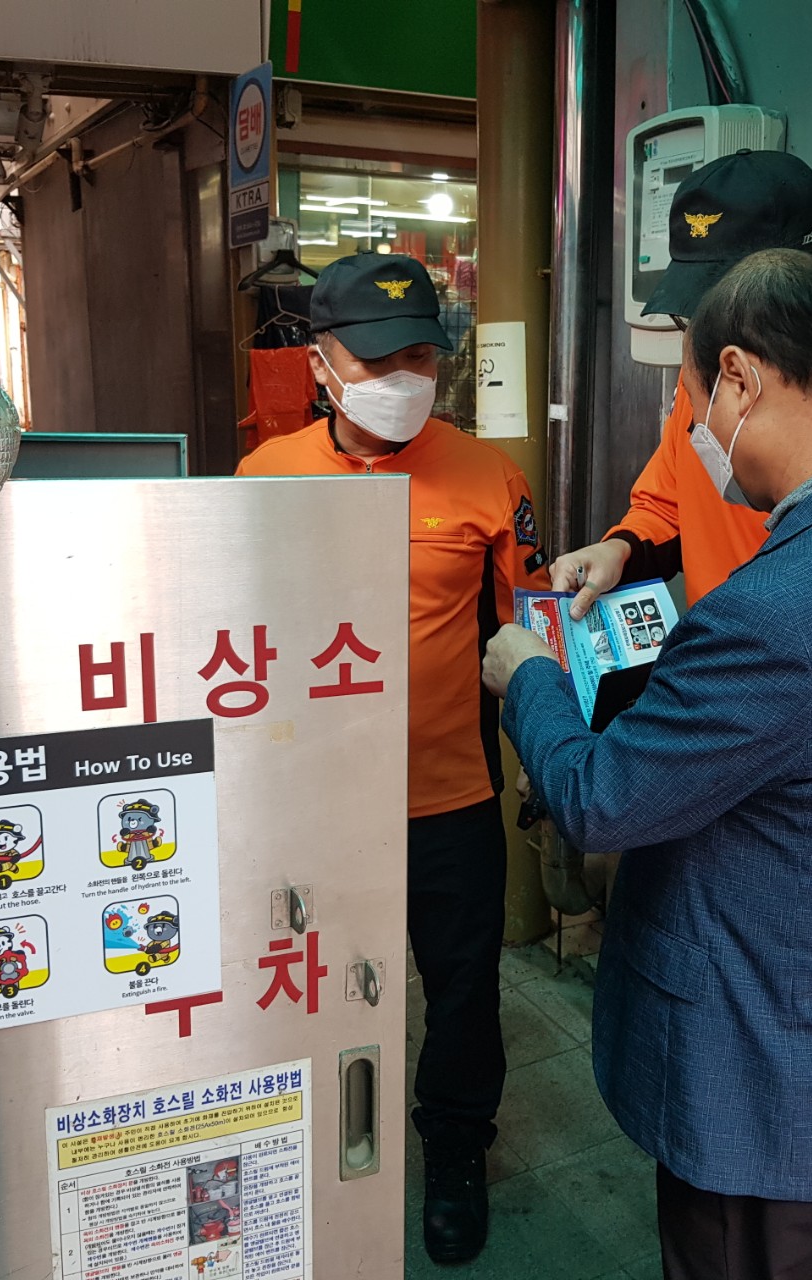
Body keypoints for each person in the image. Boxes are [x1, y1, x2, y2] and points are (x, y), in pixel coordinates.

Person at [482, 250, 812, 1280]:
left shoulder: (771, 611)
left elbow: (599, 798)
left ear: (738, 378)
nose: (694, 442)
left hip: (763, 1087)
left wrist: (530, 677)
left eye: (691, 411)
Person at [237, 252, 550, 1264]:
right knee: (305, 979)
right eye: (377, 359)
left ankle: (455, 1145)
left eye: (420, 354)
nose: (402, 376)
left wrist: (552, 752)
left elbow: (532, 630)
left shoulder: (489, 475)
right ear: (320, 365)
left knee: (461, 986)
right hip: (309, 803)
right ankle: (303, 1145)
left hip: (448, 795)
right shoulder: (265, 478)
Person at [554, 149, 812, 618]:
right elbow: (666, 507)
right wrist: (620, 550)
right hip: (718, 648)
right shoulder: (706, 378)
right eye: (701, 310)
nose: (721, 336)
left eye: (745, 298)